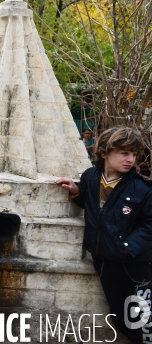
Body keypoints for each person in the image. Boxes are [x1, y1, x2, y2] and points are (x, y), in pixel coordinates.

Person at [56, 127, 152, 344]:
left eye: (134, 154)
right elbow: (96, 208)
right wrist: (76, 192)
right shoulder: (90, 177)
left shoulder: (142, 188)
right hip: (104, 260)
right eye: (124, 153)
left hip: (135, 263)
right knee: (120, 316)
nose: (130, 159)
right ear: (105, 152)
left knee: (144, 320)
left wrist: (128, 248)